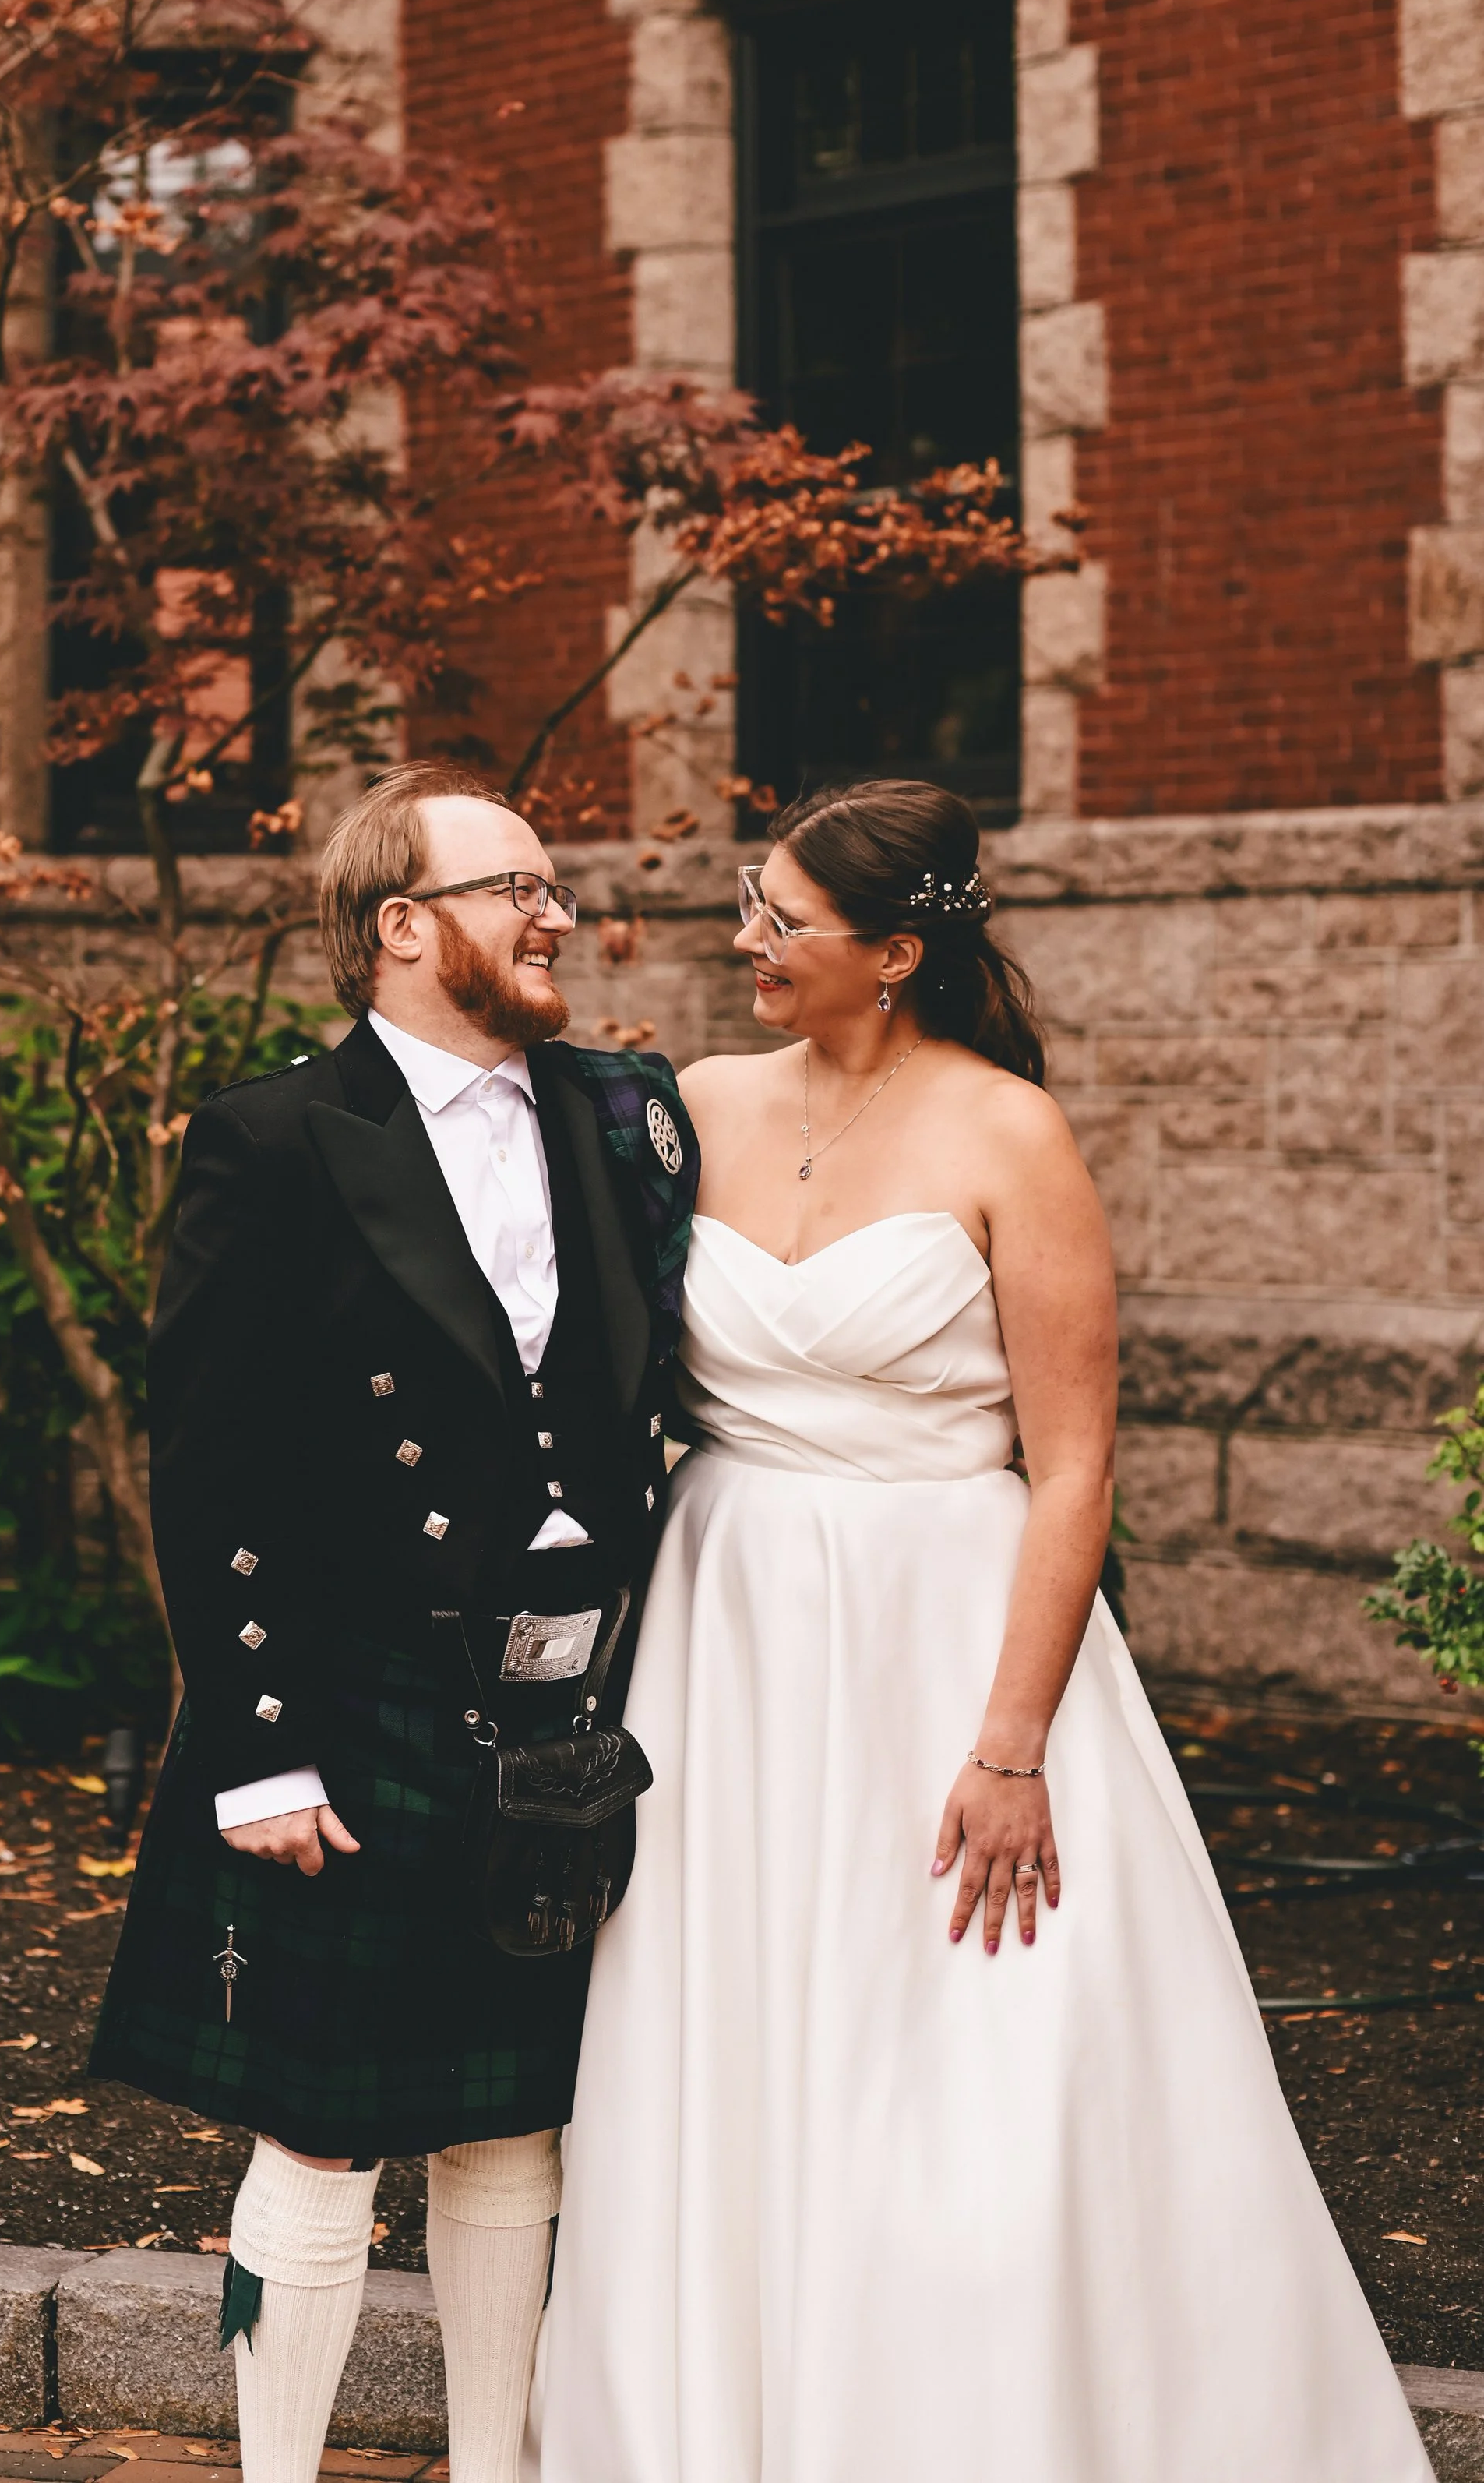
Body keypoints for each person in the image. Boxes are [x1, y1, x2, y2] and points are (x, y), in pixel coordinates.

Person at [527, 777, 1431, 2483]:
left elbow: (1072, 1463)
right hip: (724, 1636)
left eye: (780, 916)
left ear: (893, 952)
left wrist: (1010, 1746)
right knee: (726, 2047)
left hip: (946, 1635)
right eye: (750, 897)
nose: (744, 936)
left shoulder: (1012, 1134)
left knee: (967, 2063)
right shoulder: (692, 1105)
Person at [88, 760, 698, 2483]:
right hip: (359, 1694)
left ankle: (495, 2467)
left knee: (510, 2126)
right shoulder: (277, 1136)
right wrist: (258, 1746)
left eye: (552, 884)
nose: (555, 913)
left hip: (556, 1704)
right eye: (519, 887)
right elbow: (212, 1461)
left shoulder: (619, 1114)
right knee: (323, 2130)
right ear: (405, 923)